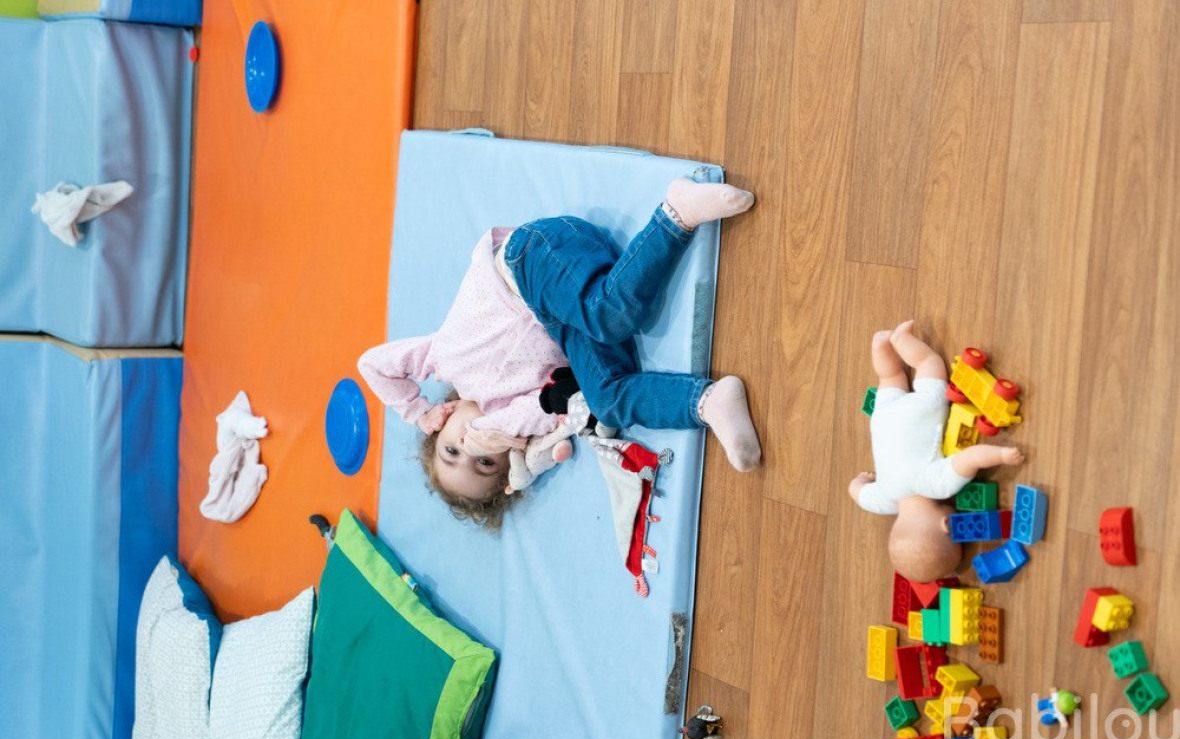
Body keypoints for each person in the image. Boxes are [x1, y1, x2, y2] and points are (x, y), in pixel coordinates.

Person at [358, 177, 761, 528]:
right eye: (483, 463)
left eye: (451, 451)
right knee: (608, 402)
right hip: (562, 324)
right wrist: (515, 444)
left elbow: (373, 365)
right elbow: (559, 404)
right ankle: (708, 402)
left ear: (441, 425)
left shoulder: (443, 359)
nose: (468, 446)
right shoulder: (520, 416)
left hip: (529, 263)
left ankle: (677, 212)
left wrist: (416, 412)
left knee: (607, 316)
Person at [849, 321, 1025, 582]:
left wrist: (1002, 456)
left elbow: (971, 458)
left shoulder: (937, 486)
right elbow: (855, 491)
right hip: (883, 418)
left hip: (922, 410)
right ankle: (882, 345)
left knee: (929, 364)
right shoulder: (884, 501)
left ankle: (903, 340)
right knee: (890, 378)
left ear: (947, 526)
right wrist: (864, 479)